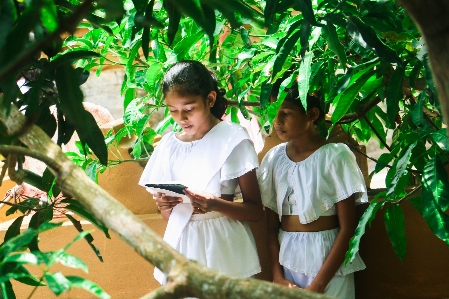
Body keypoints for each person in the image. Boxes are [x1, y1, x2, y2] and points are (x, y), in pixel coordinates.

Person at [139, 60, 263, 284]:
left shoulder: (233, 139)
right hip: (183, 244)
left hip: (224, 246)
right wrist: (165, 206)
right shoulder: (169, 145)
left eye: (188, 109)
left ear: (210, 99)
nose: (181, 118)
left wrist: (215, 204)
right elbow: (172, 217)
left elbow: (255, 211)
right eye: (173, 111)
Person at [258, 83, 367, 299]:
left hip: (329, 263)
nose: (277, 121)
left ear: (312, 114)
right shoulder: (274, 159)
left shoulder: (335, 156)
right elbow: (270, 227)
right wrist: (278, 277)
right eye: (273, 112)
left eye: (286, 113)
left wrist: (318, 284)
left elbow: (348, 228)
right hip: (288, 258)